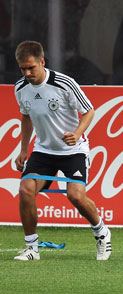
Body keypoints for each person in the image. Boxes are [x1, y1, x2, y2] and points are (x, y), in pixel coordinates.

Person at [13, 40, 112, 261]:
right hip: (44, 151)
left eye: (31, 67)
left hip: (73, 150)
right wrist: (23, 149)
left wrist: (76, 133)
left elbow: (89, 111)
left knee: (75, 196)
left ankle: (101, 232)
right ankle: (32, 248)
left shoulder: (64, 83)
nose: (27, 73)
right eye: (23, 68)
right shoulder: (20, 88)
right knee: (25, 189)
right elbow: (26, 115)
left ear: (42, 61)